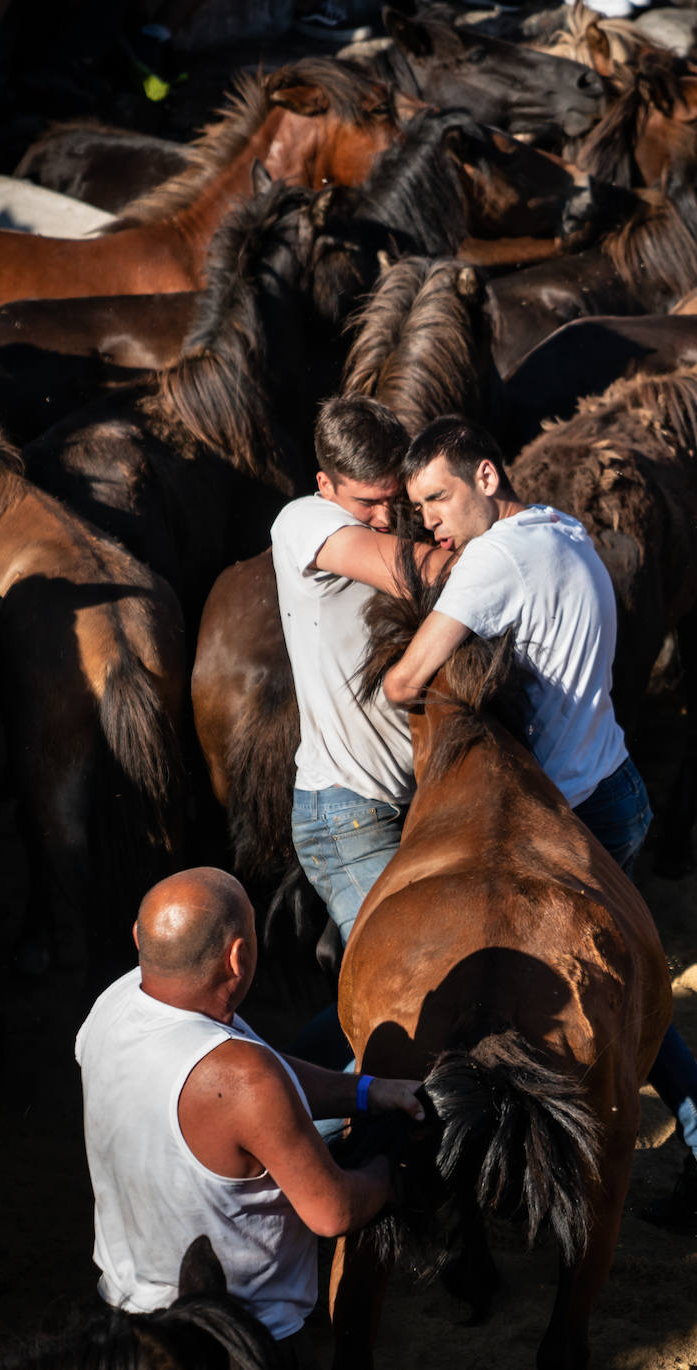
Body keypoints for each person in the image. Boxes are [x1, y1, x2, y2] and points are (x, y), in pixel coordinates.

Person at [376, 414, 697, 1230]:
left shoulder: (491, 562)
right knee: (624, 995)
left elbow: (406, 682)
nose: (433, 523)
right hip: (614, 785)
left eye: (439, 499)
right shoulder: (562, 528)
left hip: (565, 818)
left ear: (487, 476)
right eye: (419, 512)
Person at [75, 866, 425, 1365]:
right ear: (238, 958)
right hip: (235, 1342)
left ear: (140, 938)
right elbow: (333, 1211)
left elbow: (257, 1073)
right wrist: (388, 1172)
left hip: (123, 1320)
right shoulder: (243, 1076)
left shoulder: (116, 1002)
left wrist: (368, 1092)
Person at [271, 396, 447, 955]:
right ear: (324, 484)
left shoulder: (385, 518)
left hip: (413, 799)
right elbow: (424, 573)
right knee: (410, 966)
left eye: (394, 500)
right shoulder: (303, 522)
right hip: (348, 811)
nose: (385, 518)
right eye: (367, 503)